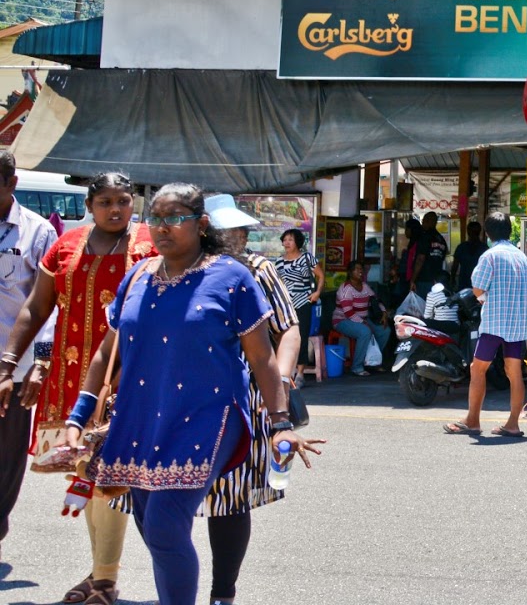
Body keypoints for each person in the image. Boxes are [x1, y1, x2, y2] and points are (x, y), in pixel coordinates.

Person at [65, 183, 321, 605]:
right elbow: (106, 353)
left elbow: (263, 359)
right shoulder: (140, 276)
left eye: (175, 218)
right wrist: (79, 415)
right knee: (150, 520)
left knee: (167, 521)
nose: (162, 228)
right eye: (156, 219)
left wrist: (280, 425)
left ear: (201, 224)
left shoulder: (233, 276)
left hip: (208, 418)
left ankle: (219, 594)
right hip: (140, 419)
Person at [0, 171, 151, 604]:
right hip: (73, 380)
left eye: (123, 200)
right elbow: (36, 307)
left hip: (129, 380)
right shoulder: (66, 246)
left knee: (113, 476)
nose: (115, 209)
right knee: (86, 471)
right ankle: (101, 573)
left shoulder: (148, 247)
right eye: (105, 201)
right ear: (89, 205)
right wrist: (16, 359)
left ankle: (105, 579)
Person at [190, 193, 314, 605]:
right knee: (159, 500)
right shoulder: (176, 268)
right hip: (181, 395)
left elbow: (289, 328)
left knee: (230, 496)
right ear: (206, 230)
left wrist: (279, 376)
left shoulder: (260, 270)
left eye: (242, 229)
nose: (239, 236)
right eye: (230, 230)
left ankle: (222, 593)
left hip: (243, 395)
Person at [0, 151, 60, 568]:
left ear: (12, 183)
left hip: (12, 371)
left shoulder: (37, 234)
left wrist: (40, 363)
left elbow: (48, 308)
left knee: (4, 462)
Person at [443, 212, 527, 438]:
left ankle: (472, 420)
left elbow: (478, 289)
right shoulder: (521, 257)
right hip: (517, 323)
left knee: (477, 369)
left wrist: (487, 296)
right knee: (514, 372)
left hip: (494, 322)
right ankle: (513, 424)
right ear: (509, 232)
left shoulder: (490, 256)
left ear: (488, 233)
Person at [275, 228, 323, 372]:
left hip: (303, 303)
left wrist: (317, 293)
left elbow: (321, 276)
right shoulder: (279, 262)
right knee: (282, 336)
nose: (286, 243)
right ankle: (285, 371)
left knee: (301, 337)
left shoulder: (307, 258)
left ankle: (300, 372)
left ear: (298, 242)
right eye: (285, 240)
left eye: (290, 240)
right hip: (284, 305)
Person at [333, 259, 386, 377]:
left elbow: (376, 300)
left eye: (361, 269)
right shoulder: (346, 289)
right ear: (350, 272)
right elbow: (348, 312)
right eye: (357, 269)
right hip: (343, 321)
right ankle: (357, 366)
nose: (360, 271)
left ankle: (372, 361)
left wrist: (384, 312)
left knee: (384, 331)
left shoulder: (365, 286)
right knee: (365, 332)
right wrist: (363, 323)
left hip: (363, 320)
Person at [414, 212, 448, 293]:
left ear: (430, 222)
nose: (422, 223)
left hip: (424, 279)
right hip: (436, 280)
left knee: (422, 304)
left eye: (424, 221)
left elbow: (420, 259)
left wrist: (413, 279)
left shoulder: (425, 237)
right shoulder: (441, 239)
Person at [452, 220, 487, 293]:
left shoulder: (461, 247)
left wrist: (452, 279)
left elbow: (454, 266)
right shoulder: (484, 248)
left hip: (468, 285)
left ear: (467, 232)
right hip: (477, 285)